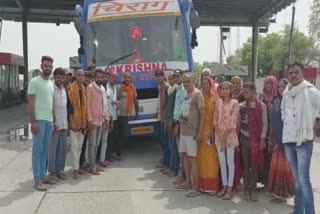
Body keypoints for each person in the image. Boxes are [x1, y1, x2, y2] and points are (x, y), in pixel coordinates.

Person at [281, 62, 320, 214]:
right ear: (287, 75)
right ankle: (298, 211)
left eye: (296, 72)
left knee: (303, 180)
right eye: (291, 73)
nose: (293, 75)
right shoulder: (287, 91)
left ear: (303, 73)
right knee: (297, 181)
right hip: (289, 140)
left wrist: (315, 121)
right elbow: (283, 110)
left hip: (304, 141)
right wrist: (285, 119)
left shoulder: (311, 91)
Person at [27, 56, 55, 191]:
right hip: (39, 121)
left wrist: (53, 120)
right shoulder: (34, 82)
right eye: (45, 66)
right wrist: (33, 123)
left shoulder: (51, 83)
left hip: (49, 121)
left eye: (50, 66)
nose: (47, 68)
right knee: (37, 151)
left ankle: (43, 175)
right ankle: (37, 179)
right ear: (41, 66)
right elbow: (31, 104)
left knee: (45, 150)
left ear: (52, 68)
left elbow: (51, 104)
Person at [176, 73, 204, 197]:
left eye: (188, 81)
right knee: (185, 157)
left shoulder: (197, 94)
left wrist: (200, 132)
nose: (186, 84)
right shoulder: (186, 94)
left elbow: (203, 114)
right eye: (184, 82)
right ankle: (188, 182)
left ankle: (196, 187)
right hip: (183, 131)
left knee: (193, 159)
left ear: (193, 81)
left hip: (192, 132)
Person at [266, 78, 294, 202]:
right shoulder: (276, 101)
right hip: (277, 138)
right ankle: (277, 193)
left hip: (288, 139)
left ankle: (284, 195)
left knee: (285, 169)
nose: (281, 89)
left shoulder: (292, 101)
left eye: (284, 87)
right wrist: (272, 137)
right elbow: (274, 121)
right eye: (279, 87)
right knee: (276, 167)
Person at [239, 82, 268, 201]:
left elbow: (265, 123)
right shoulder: (241, 106)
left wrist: (262, 139)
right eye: (243, 92)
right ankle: (246, 188)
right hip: (244, 139)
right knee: (246, 165)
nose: (244, 94)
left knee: (254, 166)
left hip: (256, 141)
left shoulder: (261, 106)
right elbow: (238, 123)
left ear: (253, 92)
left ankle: (253, 189)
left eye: (246, 92)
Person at [214, 81, 240, 200]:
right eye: (222, 88)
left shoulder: (234, 103)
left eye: (226, 89)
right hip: (219, 137)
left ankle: (230, 188)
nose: (224, 91)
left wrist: (224, 136)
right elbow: (214, 119)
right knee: (222, 162)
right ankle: (224, 186)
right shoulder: (218, 102)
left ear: (230, 90)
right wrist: (219, 134)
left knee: (230, 162)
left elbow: (232, 122)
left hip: (229, 137)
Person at [197, 77, 220, 195]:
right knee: (202, 160)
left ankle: (212, 187)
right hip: (201, 132)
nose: (205, 86)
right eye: (203, 84)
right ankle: (203, 186)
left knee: (212, 160)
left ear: (211, 85)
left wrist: (213, 130)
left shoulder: (216, 98)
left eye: (207, 84)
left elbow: (217, 116)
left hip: (212, 132)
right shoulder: (199, 98)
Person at [86, 69, 110, 175]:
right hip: (93, 122)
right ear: (95, 77)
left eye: (101, 77)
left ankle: (94, 164)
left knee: (97, 144)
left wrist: (106, 118)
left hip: (100, 120)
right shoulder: (90, 88)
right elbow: (87, 106)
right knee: (92, 144)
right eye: (98, 77)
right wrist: (90, 120)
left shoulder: (101, 89)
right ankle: (91, 166)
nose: (100, 79)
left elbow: (103, 105)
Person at [47, 68, 68, 182]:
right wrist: (54, 121)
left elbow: (64, 107)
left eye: (62, 77)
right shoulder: (51, 89)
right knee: (53, 149)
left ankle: (60, 170)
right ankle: (52, 172)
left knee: (62, 149)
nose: (60, 79)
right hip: (55, 124)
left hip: (64, 123)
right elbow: (51, 107)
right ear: (54, 77)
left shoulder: (64, 89)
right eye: (58, 77)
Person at [67, 69, 87, 179]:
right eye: (79, 75)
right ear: (75, 76)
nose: (81, 77)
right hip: (74, 122)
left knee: (79, 147)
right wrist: (72, 122)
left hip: (82, 123)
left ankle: (77, 167)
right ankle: (75, 169)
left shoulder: (84, 89)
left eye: (82, 75)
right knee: (74, 147)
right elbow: (69, 107)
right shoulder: (71, 89)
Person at [260, 76, 278, 188]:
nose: (269, 85)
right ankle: (265, 182)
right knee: (264, 157)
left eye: (271, 83)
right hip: (263, 131)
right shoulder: (261, 98)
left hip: (274, 131)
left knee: (272, 158)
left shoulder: (278, 99)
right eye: (267, 83)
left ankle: (272, 184)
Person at [117, 72, 139, 159]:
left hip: (127, 114)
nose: (127, 79)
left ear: (130, 79)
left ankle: (119, 152)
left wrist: (137, 113)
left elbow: (135, 100)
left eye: (128, 78)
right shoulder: (119, 87)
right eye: (125, 77)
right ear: (123, 78)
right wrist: (121, 90)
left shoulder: (132, 87)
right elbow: (116, 98)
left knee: (125, 134)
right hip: (119, 114)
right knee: (120, 134)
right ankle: (118, 153)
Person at [154, 69, 170, 174]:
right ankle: (165, 161)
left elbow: (168, 104)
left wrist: (166, 118)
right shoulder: (159, 87)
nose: (158, 78)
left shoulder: (167, 87)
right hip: (160, 117)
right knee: (162, 141)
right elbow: (160, 101)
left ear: (163, 76)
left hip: (165, 119)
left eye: (160, 76)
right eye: (157, 76)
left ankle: (167, 164)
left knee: (166, 142)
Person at [172, 69, 185, 185]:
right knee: (179, 150)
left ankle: (182, 177)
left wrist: (178, 124)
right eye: (174, 76)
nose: (176, 78)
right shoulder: (178, 88)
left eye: (177, 76)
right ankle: (182, 176)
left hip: (180, 123)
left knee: (182, 152)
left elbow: (183, 108)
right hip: (176, 121)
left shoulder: (184, 89)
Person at [166, 73, 179, 177]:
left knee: (174, 146)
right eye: (169, 78)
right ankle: (171, 167)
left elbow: (176, 108)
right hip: (169, 120)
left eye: (173, 78)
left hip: (174, 122)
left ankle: (174, 169)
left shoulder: (176, 90)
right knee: (171, 145)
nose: (171, 80)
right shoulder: (170, 90)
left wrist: (172, 122)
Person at [99, 71, 113, 167]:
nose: (105, 79)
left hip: (107, 119)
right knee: (96, 142)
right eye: (104, 77)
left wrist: (110, 119)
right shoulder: (98, 88)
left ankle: (102, 160)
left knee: (104, 140)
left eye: (107, 77)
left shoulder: (107, 89)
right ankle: (93, 162)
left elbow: (109, 105)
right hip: (99, 119)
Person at [106, 71, 120, 163]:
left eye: (116, 77)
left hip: (115, 116)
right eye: (113, 77)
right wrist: (115, 102)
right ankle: (108, 157)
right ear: (109, 77)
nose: (114, 79)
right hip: (109, 116)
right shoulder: (106, 87)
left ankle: (113, 154)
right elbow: (107, 100)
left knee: (115, 137)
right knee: (109, 138)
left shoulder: (114, 87)